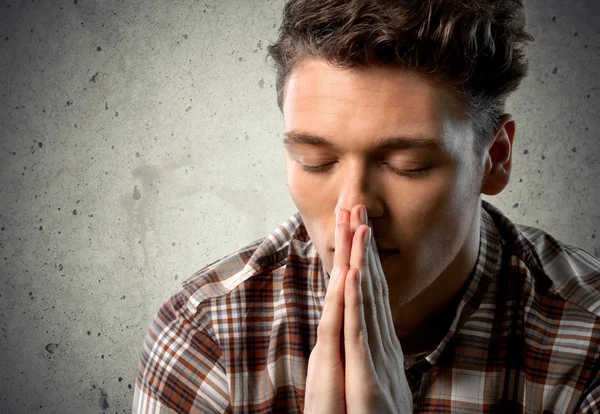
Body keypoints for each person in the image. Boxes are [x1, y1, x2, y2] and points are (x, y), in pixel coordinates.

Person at [132, 0, 600, 412]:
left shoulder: (589, 345)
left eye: (408, 165)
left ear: (495, 159)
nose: (353, 210)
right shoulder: (206, 335)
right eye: (316, 161)